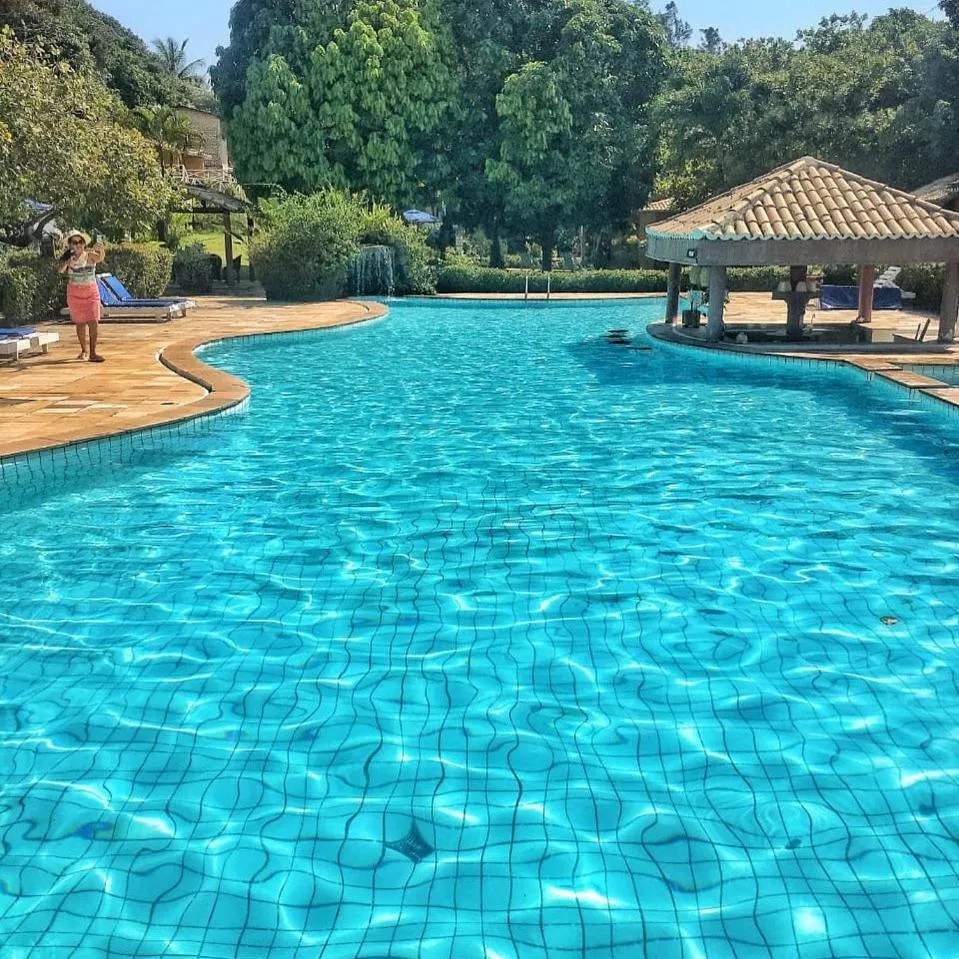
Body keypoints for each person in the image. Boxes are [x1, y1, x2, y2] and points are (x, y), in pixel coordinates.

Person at [58, 230, 106, 362]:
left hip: (90, 292)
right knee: (80, 323)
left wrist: (101, 250)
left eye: (80, 242)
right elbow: (60, 270)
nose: (78, 244)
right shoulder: (69, 259)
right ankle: (84, 350)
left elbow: (100, 258)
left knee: (93, 322)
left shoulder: (89, 255)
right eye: (75, 242)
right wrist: (66, 263)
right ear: (71, 245)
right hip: (75, 293)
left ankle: (93, 353)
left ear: (84, 243)